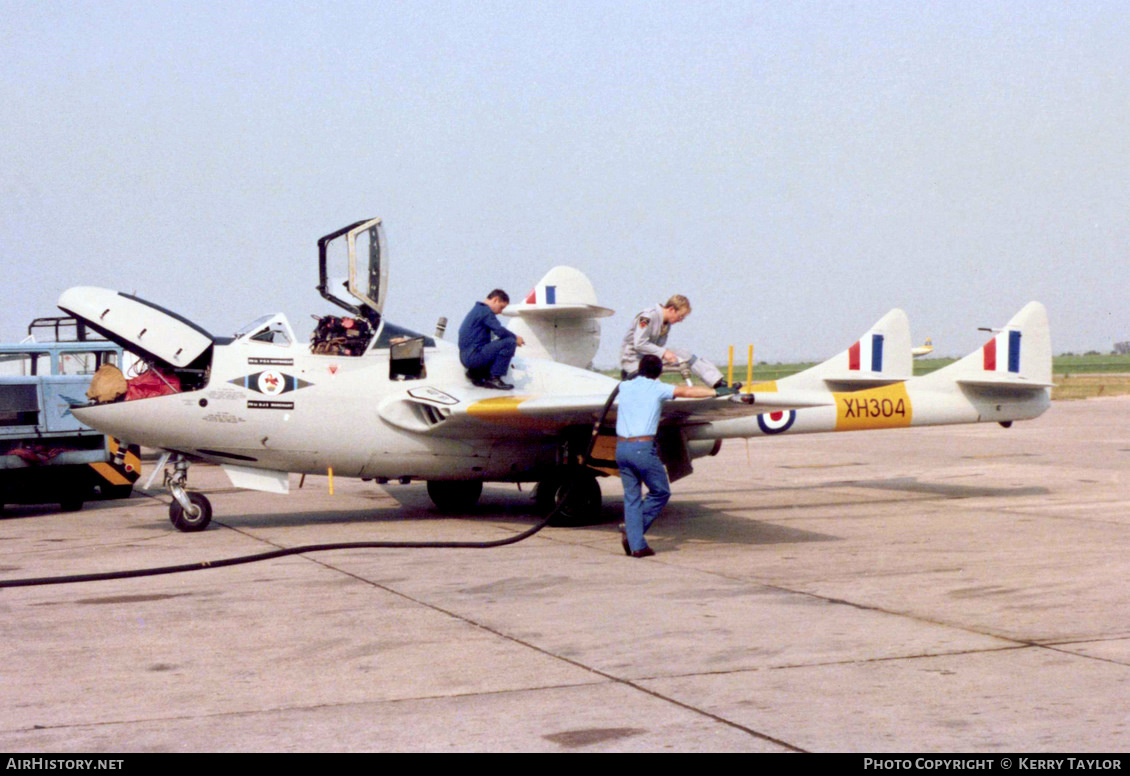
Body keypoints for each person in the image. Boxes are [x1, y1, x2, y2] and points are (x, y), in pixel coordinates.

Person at [616, 354, 734, 557]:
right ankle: (633, 531)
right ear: (659, 372)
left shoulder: (625, 387)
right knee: (660, 492)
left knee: (632, 497)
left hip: (621, 449)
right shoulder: (657, 388)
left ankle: (637, 546)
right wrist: (716, 392)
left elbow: (627, 381)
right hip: (642, 448)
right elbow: (686, 391)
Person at [619, 295, 731, 388]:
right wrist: (664, 353)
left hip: (649, 359)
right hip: (632, 360)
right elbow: (639, 343)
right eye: (680, 316)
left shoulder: (666, 324)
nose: (680, 320)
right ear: (672, 309)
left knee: (685, 354)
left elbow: (658, 348)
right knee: (655, 390)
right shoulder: (647, 317)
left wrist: (670, 357)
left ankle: (717, 383)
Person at [458, 289, 524, 390]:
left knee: (493, 342)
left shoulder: (477, 310)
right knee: (509, 343)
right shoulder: (486, 312)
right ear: (495, 300)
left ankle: (476, 374)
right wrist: (515, 338)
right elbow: (499, 331)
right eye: (501, 307)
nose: (501, 312)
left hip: (465, 357)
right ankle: (494, 378)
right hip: (474, 357)